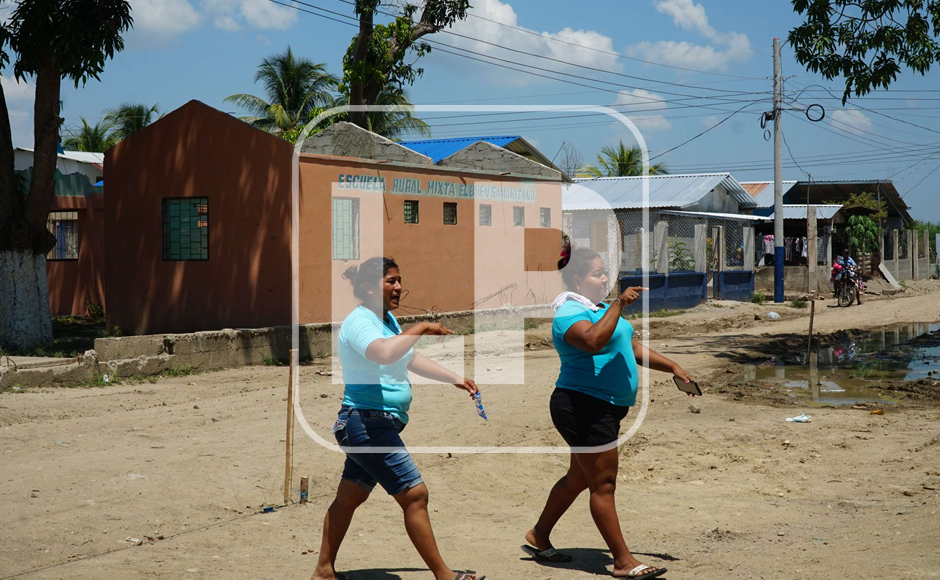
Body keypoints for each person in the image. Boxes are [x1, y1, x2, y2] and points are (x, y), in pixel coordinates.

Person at [525, 247, 695, 580]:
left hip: (603, 407)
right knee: (602, 483)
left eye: (605, 273)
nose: (604, 278)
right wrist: (619, 303)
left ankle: (538, 535)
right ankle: (622, 561)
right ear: (577, 278)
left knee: (578, 477)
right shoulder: (569, 312)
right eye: (597, 273)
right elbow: (592, 341)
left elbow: (629, 347)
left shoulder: (599, 309)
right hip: (582, 406)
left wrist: (673, 366)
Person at [311, 257, 484, 580]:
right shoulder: (361, 322)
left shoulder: (385, 319)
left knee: (350, 496)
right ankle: (445, 575)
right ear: (367, 287)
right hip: (366, 423)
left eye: (399, 280)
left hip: (369, 423)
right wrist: (420, 327)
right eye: (390, 280)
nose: (399, 287)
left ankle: (323, 572)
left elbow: (406, 356)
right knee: (415, 495)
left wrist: (454, 378)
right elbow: (384, 353)